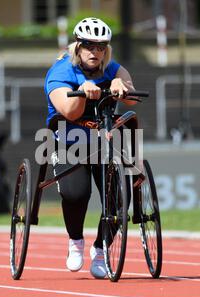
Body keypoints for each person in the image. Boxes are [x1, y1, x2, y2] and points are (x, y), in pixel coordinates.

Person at [44, 17, 138, 279]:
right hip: (68, 142)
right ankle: (75, 241)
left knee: (121, 197)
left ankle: (101, 249)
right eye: (88, 45)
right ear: (77, 45)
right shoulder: (61, 72)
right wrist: (84, 91)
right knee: (76, 194)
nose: (94, 52)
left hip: (104, 143)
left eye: (100, 46)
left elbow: (131, 97)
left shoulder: (112, 67)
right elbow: (69, 111)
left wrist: (121, 86)